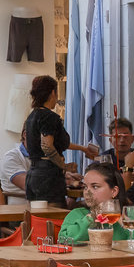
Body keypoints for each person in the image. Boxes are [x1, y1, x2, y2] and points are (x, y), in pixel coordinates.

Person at [22, 76, 95, 206]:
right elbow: (47, 146)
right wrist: (64, 166)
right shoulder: (49, 117)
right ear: (52, 93)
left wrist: (82, 148)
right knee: (54, 218)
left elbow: (56, 143)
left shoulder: (32, 116)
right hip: (48, 177)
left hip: (33, 174)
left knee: (36, 218)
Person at [57, 162, 134, 243]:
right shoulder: (77, 214)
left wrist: (121, 220)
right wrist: (91, 218)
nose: (87, 192)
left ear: (114, 191)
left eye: (95, 187)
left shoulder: (127, 215)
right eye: (85, 187)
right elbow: (63, 240)